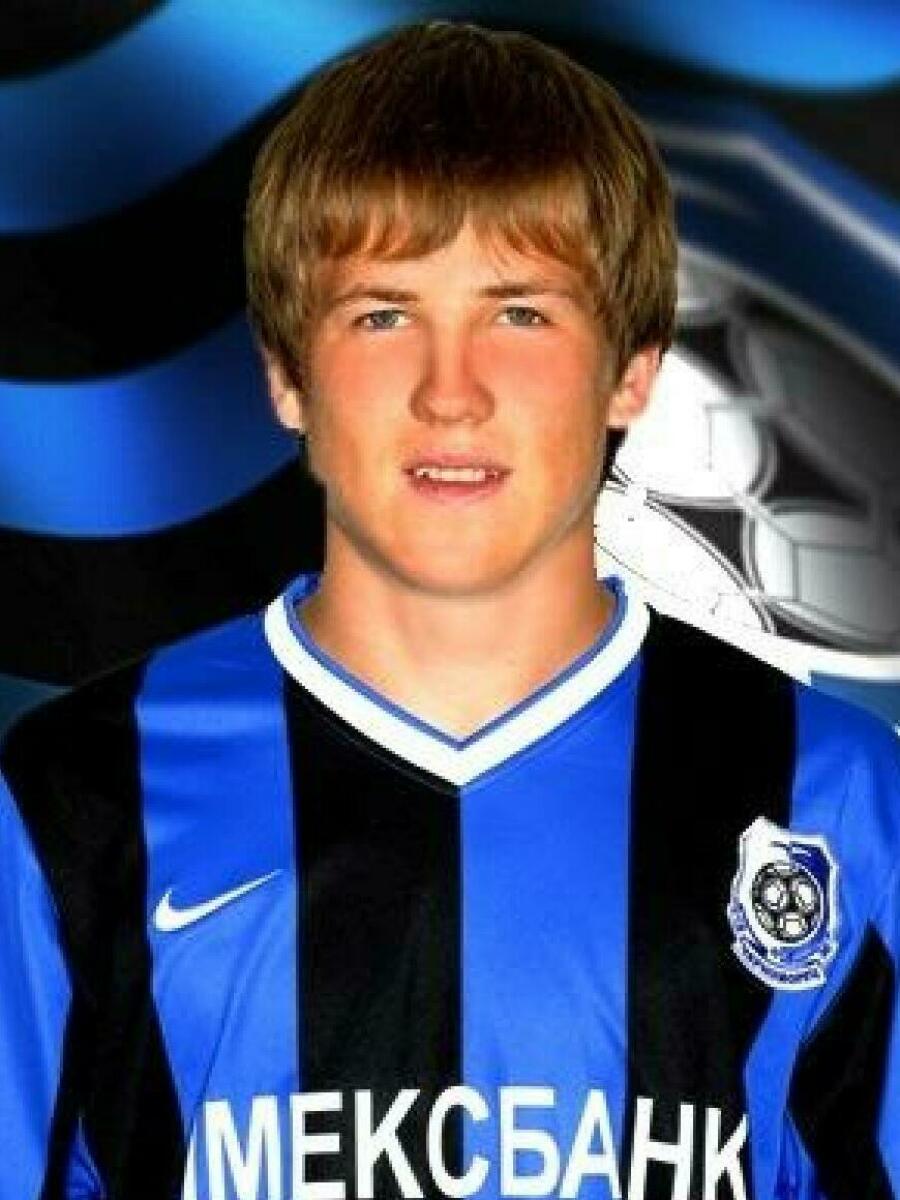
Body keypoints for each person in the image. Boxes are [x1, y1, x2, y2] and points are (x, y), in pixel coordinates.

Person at [1, 19, 898, 1200]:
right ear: (285, 374)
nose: (451, 391)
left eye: (520, 312)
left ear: (633, 367)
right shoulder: (73, 799)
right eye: (383, 313)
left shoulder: (838, 795)